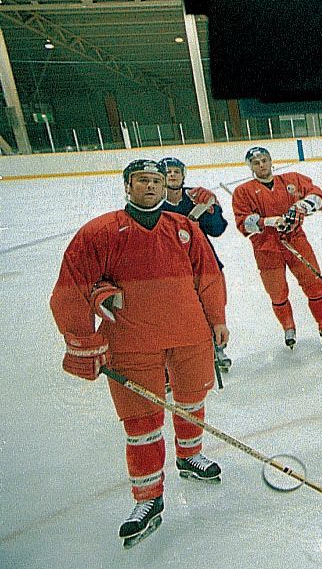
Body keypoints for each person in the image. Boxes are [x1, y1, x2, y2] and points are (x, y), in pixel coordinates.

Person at [50, 159, 229, 547]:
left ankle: (189, 456)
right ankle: (148, 498)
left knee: (191, 399)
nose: (150, 186)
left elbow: (209, 276)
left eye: (156, 181)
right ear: (127, 186)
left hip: (188, 332)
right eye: (142, 180)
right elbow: (71, 286)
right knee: (141, 421)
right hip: (131, 341)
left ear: (167, 187)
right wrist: (84, 337)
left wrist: (217, 320)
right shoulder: (100, 232)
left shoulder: (184, 228)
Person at [231, 147, 322, 347]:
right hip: (266, 248)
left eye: (264, 160)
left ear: (271, 160)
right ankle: (289, 328)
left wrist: (303, 205)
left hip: (295, 240)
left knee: (314, 284)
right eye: (256, 163)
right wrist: (266, 222)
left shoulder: (291, 180)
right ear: (251, 167)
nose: (262, 165)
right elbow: (243, 223)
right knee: (277, 292)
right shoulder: (243, 192)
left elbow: (317, 195)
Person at [160, 156, 232, 372]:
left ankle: (217, 347)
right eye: (167, 172)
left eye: (176, 171)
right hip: (171, 269)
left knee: (214, 306)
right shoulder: (152, 202)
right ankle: (174, 359)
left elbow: (217, 229)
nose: (172, 175)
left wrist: (212, 209)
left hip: (205, 262)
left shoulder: (196, 197)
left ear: (183, 175)